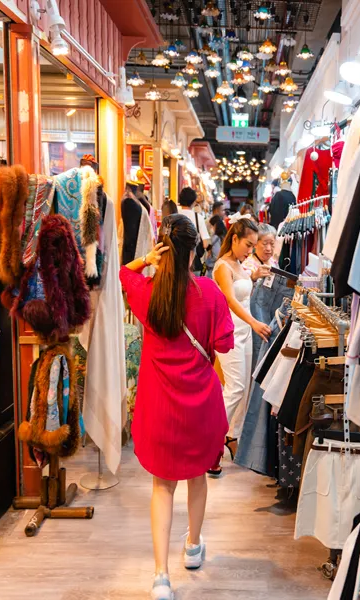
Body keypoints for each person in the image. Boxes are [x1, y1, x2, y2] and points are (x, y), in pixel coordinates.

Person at [120, 214, 235, 600]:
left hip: (158, 407)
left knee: (162, 487)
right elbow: (224, 344)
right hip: (200, 405)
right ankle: (193, 546)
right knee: (197, 477)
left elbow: (124, 274)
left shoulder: (147, 292)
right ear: (193, 251)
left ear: (163, 250)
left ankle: (160, 576)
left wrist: (145, 260)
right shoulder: (209, 292)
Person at [212, 216, 272, 473]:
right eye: (248, 245)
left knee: (244, 388)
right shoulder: (222, 266)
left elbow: (243, 293)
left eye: (253, 245)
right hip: (229, 334)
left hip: (244, 332)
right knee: (235, 388)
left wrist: (254, 277)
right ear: (234, 239)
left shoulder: (238, 264)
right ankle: (212, 442)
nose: (251, 250)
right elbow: (230, 300)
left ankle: (231, 436)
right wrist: (254, 322)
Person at [178, 187, 209, 275]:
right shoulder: (198, 218)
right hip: (194, 264)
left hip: (176, 261)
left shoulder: (173, 214)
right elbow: (205, 244)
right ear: (194, 202)